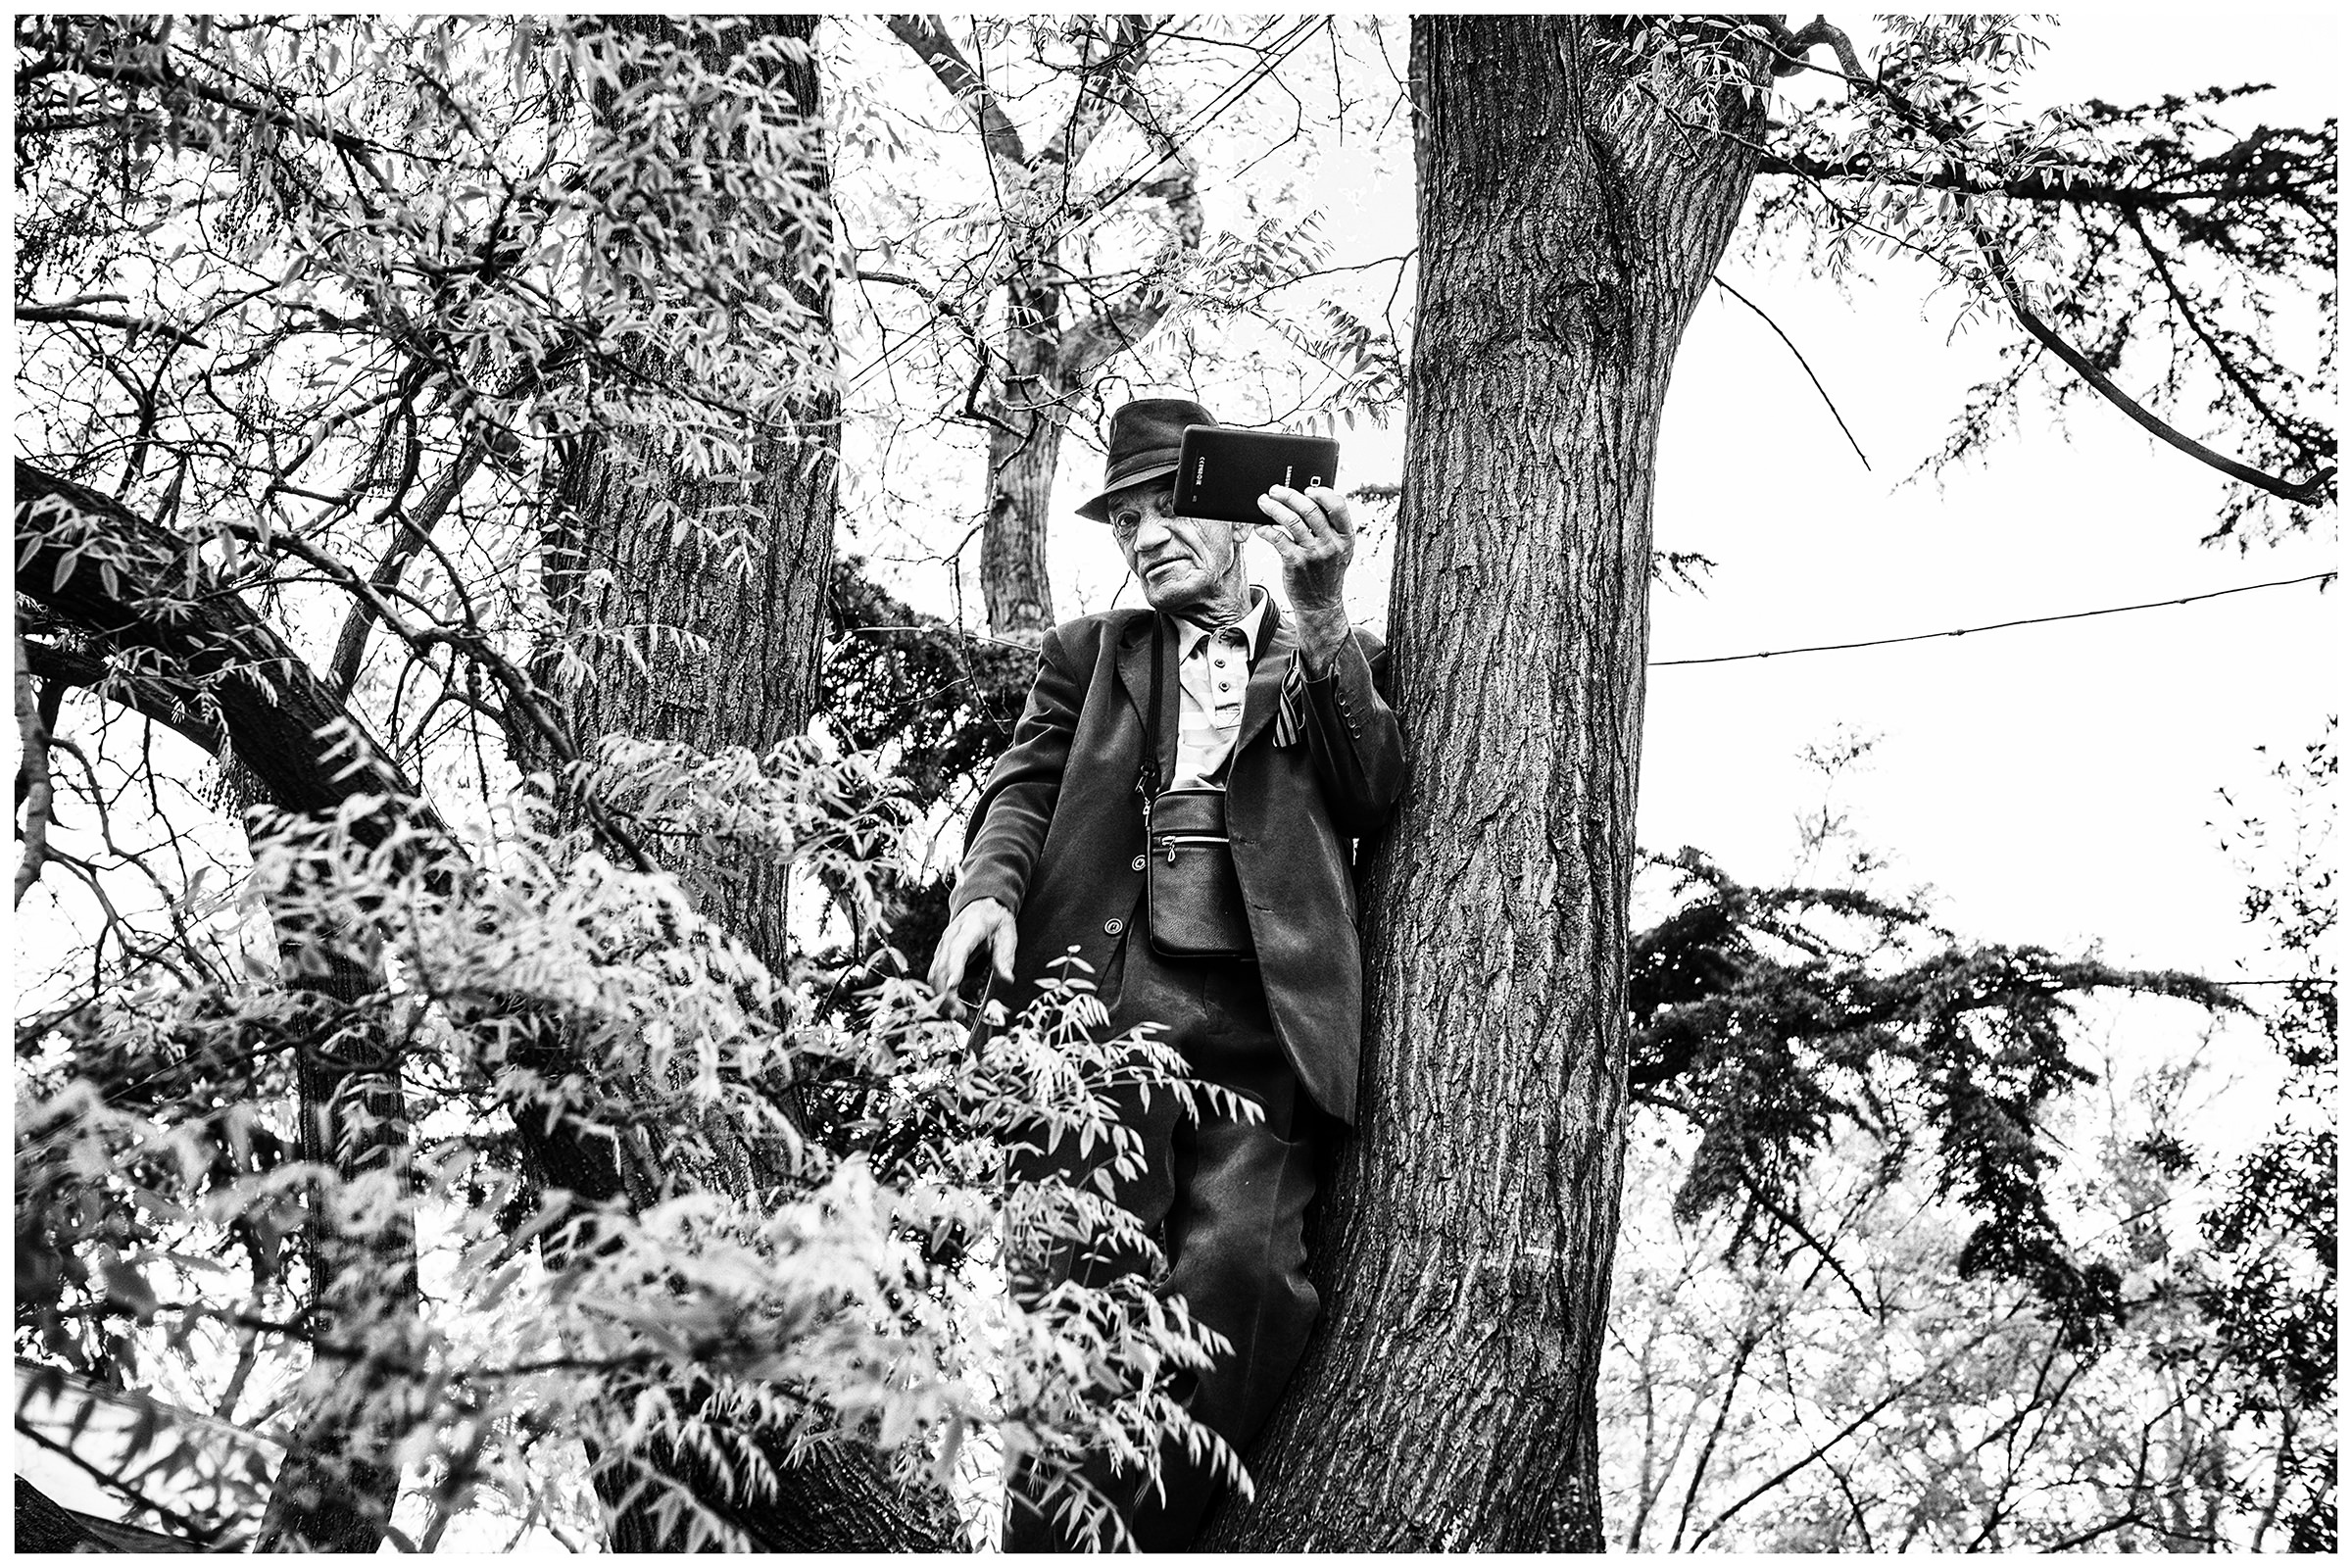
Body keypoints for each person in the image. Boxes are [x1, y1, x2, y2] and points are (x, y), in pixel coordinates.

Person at [926, 397, 1405, 1550]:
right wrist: (986, 892)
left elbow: (1376, 788)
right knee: (1081, 1297)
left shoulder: (1329, 649)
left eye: (1168, 508)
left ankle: (1155, 1541)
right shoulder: (1093, 655)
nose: (1145, 539)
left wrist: (1326, 610)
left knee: (1243, 1284)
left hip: (1266, 1024)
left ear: (1240, 510)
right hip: (1099, 1016)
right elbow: (1025, 786)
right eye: (1124, 521)